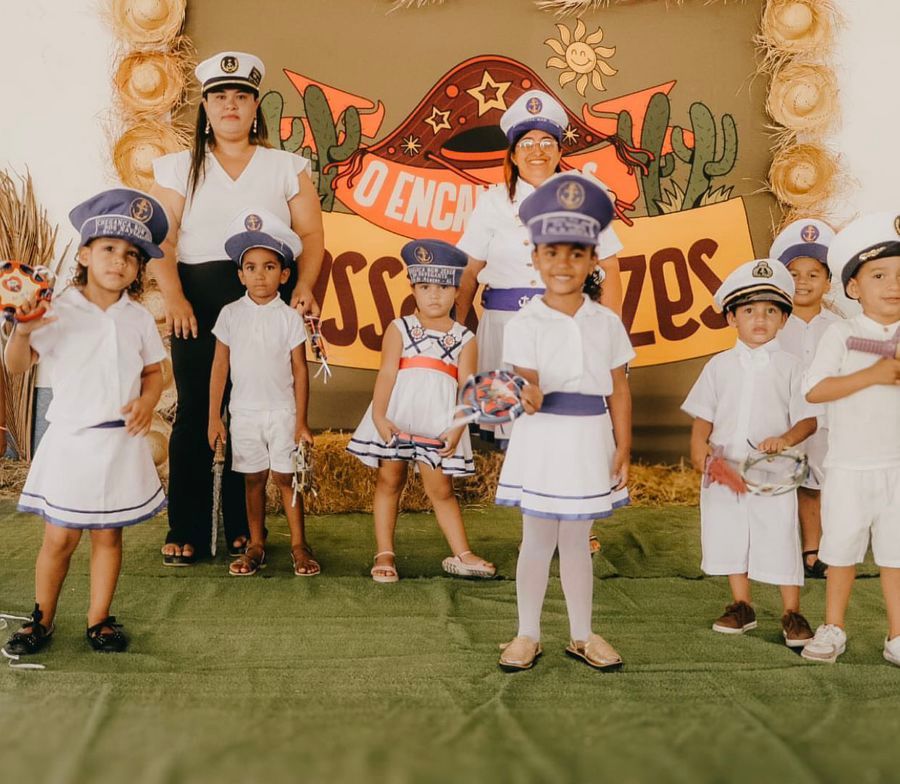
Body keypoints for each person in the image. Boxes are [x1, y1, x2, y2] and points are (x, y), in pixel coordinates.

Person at [149, 50, 324, 566]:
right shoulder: (177, 167)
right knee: (197, 412)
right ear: (205, 107)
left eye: (241, 97)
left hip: (264, 297)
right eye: (219, 97)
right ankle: (186, 526)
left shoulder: (286, 166)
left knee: (248, 409)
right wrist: (174, 296)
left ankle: (243, 530)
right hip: (197, 300)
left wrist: (304, 286)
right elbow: (161, 238)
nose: (230, 105)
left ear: (255, 106)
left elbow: (312, 235)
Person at [2, 188, 168, 656]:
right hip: (72, 443)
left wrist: (147, 402)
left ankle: (99, 620)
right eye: (109, 248)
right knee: (59, 538)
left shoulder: (138, 318)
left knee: (108, 535)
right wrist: (22, 331)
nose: (120, 261)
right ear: (84, 255)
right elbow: (17, 365)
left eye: (132, 255)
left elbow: (154, 372)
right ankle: (41, 618)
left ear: (139, 268)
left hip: (119, 445)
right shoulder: (55, 309)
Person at [495, 174, 633, 672]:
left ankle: (581, 634)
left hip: (590, 438)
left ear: (594, 260)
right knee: (536, 539)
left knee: (577, 541)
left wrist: (623, 445)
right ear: (534, 258)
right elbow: (524, 380)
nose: (563, 264)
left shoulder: (607, 322)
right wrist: (526, 392)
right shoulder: (525, 323)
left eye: (577, 254)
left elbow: (618, 386)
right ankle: (527, 634)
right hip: (543, 438)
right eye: (551, 253)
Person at [455, 90, 624, 450]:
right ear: (513, 154)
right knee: (510, 439)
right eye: (527, 143)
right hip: (503, 330)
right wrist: (456, 334)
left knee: (563, 429)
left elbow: (609, 266)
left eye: (547, 142)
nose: (538, 151)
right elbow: (469, 272)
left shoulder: (582, 195)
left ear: (560, 152)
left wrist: (609, 332)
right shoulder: (491, 202)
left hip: (567, 329)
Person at [682, 259, 818, 647]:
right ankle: (742, 605)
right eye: (748, 311)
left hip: (773, 473)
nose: (760, 319)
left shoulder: (792, 367)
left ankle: (792, 611)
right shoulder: (718, 366)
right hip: (725, 470)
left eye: (771, 311)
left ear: (784, 320)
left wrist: (785, 439)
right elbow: (704, 416)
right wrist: (698, 448)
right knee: (729, 533)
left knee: (779, 535)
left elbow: (809, 420)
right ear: (731, 318)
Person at [347, 239, 495, 584]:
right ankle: (385, 552)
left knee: (441, 489)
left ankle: (462, 553)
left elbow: (468, 388)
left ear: (457, 290)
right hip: (398, 416)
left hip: (438, 422)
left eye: (443, 287)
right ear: (412, 288)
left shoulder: (465, 338)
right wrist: (379, 416)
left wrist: (457, 428)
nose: (434, 295)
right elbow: (387, 373)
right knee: (389, 480)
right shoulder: (399, 328)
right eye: (425, 287)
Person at [800, 212, 900, 665]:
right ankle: (833, 627)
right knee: (840, 550)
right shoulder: (842, 334)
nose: (893, 285)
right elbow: (815, 389)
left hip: (896, 467)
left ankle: (896, 635)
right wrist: (874, 373)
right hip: (848, 467)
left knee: (895, 555)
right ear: (854, 288)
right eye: (879, 276)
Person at [208, 209, 315, 577]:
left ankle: (299, 545)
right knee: (253, 479)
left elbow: (300, 370)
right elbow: (219, 366)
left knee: (287, 479)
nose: (259, 275)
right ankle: (256, 543)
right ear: (240, 275)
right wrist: (214, 418)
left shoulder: (290, 318)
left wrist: (301, 422)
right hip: (244, 413)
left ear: (284, 274)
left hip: (283, 412)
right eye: (250, 267)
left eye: (269, 267)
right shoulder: (230, 314)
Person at [769, 219, 841, 579]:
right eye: (794, 274)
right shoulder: (772, 324)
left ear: (828, 282)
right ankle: (773, 552)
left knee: (816, 485)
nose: (803, 282)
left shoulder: (839, 328)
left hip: (825, 421)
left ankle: (815, 551)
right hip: (782, 419)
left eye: (814, 274)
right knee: (778, 484)